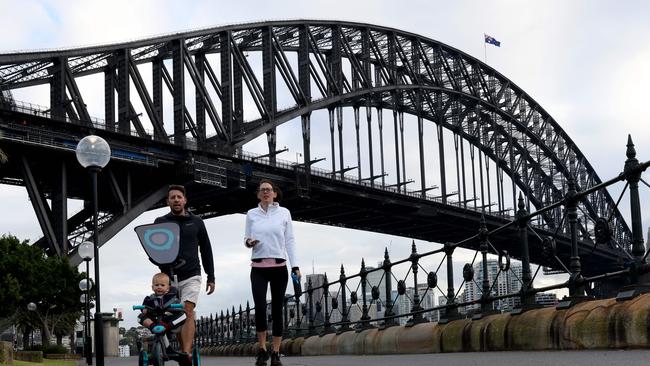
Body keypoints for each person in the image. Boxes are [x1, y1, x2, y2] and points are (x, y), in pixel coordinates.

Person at [154, 185, 215, 361]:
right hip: (169, 277)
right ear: (168, 201)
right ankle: (183, 351)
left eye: (179, 197)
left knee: (187, 310)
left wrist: (211, 276)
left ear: (185, 200)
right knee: (177, 316)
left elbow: (206, 250)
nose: (176, 200)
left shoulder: (197, 222)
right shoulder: (161, 221)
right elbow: (154, 248)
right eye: (172, 197)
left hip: (192, 274)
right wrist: (158, 264)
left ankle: (187, 354)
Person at [244, 179, 301, 366]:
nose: (266, 192)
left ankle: (276, 352)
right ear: (258, 194)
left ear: (275, 194)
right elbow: (246, 238)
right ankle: (262, 350)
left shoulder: (284, 213)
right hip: (258, 267)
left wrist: (295, 266)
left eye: (269, 190)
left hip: (279, 267)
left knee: (277, 310)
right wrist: (249, 242)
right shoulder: (252, 214)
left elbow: (290, 240)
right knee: (260, 308)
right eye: (263, 190)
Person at [138, 273, 186, 350]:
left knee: (183, 315)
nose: (159, 287)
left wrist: (176, 306)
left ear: (168, 288)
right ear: (152, 287)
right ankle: (153, 326)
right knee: (140, 317)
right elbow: (144, 306)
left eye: (162, 285)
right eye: (157, 285)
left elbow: (178, 306)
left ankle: (166, 327)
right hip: (155, 320)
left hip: (167, 321)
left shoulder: (170, 297)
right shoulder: (149, 299)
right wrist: (144, 309)